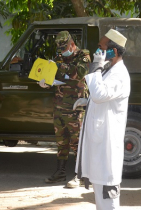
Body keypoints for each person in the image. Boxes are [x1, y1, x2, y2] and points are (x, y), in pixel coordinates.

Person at [75, 29, 130, 209]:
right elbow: (100, 97)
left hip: (107, 145)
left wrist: (96, 67)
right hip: (99, 142)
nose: (97, 51)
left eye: (101, 47)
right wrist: (87, 101)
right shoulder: (110, 71)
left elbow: (99, 94)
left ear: (113, 52)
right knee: (100, 195)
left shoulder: (120, 74)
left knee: (108, 197)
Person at [39, 31, 90, 188]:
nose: (62, 51)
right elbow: (53, 74)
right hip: (59, 106)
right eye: (60, 49)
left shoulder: (84, 55)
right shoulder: (58, 58)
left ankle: (81, 176)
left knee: (78, 142)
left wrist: (59, 66)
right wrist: (45, 82)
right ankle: (60, 172)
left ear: (72, 44)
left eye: (65, 47)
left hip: (76, 107)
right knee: (61, 142)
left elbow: (79, 72)